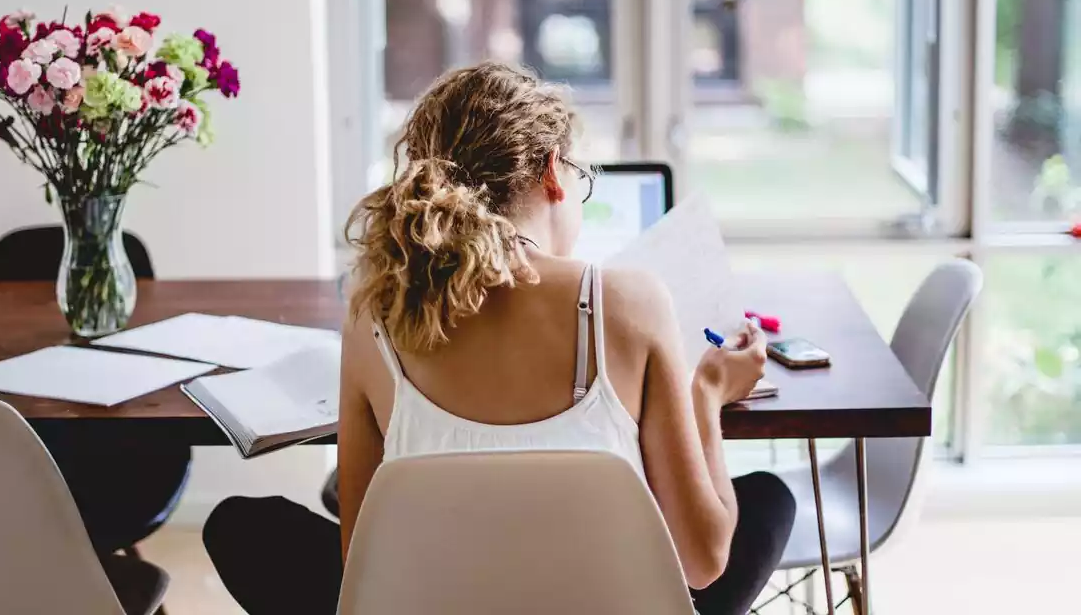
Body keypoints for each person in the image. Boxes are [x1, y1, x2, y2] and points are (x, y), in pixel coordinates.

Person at [203, 61, 796, 615]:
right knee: (771, 499)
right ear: (551, 174)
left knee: (240, 524)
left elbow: (363, 563)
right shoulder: (633, 300)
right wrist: (707, 394)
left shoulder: (375, 316)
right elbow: (701, 561)